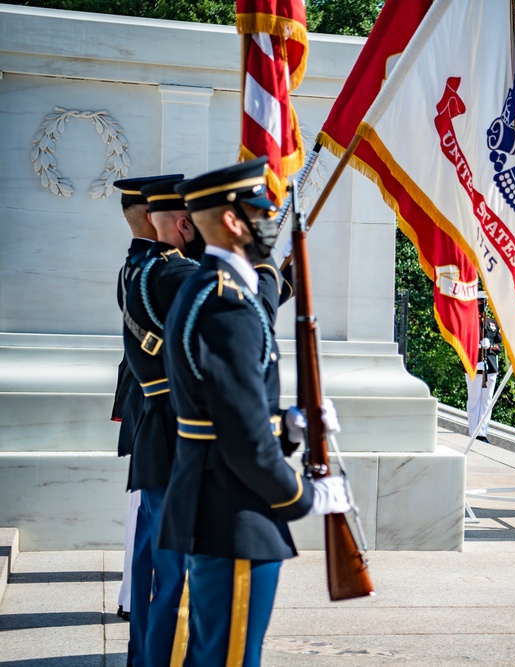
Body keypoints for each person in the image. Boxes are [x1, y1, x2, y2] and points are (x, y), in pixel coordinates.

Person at [160, 157, 348, 666]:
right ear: (231, 220)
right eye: (262, 212)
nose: (271, 221)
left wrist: (287, 424)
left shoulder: (217, 290)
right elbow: (240, 434)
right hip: (233, 512)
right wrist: (302, 496)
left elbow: (232, 406)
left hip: (221, 502)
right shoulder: (226, 302)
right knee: (229, 657)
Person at [122, 175, 206, 667]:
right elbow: (237, 313)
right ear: (183, 223)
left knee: (155, 564)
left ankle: (144, 656)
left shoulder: (144, 269)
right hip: (176, 435)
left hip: (157, 427)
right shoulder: (172, 274)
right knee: (173, 574)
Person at [111, 175, 174, 634]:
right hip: (155, 406)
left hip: (144, 402)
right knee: (146, 516)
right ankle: (134, 599)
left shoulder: (138, 262)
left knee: (144, 512)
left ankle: (134, 597)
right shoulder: (154, 266)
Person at [467, 290, 502, 443]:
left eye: (484, 303)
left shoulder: (493, 323)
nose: (483, 306)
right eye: (480, 303)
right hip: (473, 365)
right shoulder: (468, 322)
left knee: (487, 400)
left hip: (490, 367)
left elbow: (499, 345)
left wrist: (489, 346)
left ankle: (483, 432)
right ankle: (473, 431)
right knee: (474, 399)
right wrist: (476, 347)